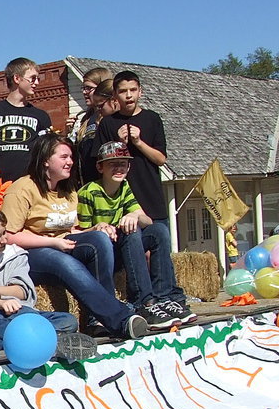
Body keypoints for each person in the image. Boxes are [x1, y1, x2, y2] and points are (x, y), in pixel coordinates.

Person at [1, 133, 148, 340]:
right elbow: (7, 236)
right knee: (64, 262)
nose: (70, 162)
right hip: (29, 255)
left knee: (99, 240)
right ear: (45, 160)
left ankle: (96, 319)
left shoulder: (68, 191)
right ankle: (120, 319)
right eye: (64, 157)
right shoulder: (22, 189)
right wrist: (52, 242)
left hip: (60, 245)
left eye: (71, 157)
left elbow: (73, 231)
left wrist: (97, 228)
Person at [0, 206, 97, 361]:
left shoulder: (16, 255)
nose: (4, 240)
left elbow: (23, 291)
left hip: (21, 312)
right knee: (16, 322)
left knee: (68, 321)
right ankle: (53, 344)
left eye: (4, 232)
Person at [77, 141, 196, 329]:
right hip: (102, 255)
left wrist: (134, 215)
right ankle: (143, 303)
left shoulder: (124, 187)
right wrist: (98, 227)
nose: (119, 168)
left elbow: (147, 220)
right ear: (100, 167)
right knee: (131, 233)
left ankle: (164, 298)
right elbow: (77, 233)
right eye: (112, 164)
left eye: (123, 163)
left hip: (123, 248)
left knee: (158, 231)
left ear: (129, 166)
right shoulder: (89, 192)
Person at [91, 71, 169, 224]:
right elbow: (99, 165)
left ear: (140, 92)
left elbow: (160, 159)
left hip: (151, 199)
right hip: (120, 202)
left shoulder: (152, 119)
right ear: (114, 95)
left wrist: (139, 142)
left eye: (133, 90)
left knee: (160, 240)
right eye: (122, 91)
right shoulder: (108, 123)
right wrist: (120, 143)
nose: (128, 95)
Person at [65, 67, 112, 142]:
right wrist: (69, 131)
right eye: (83, 88)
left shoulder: (110, 116)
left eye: (89, 88)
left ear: (102, 88)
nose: (84, 92)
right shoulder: (86, 118)